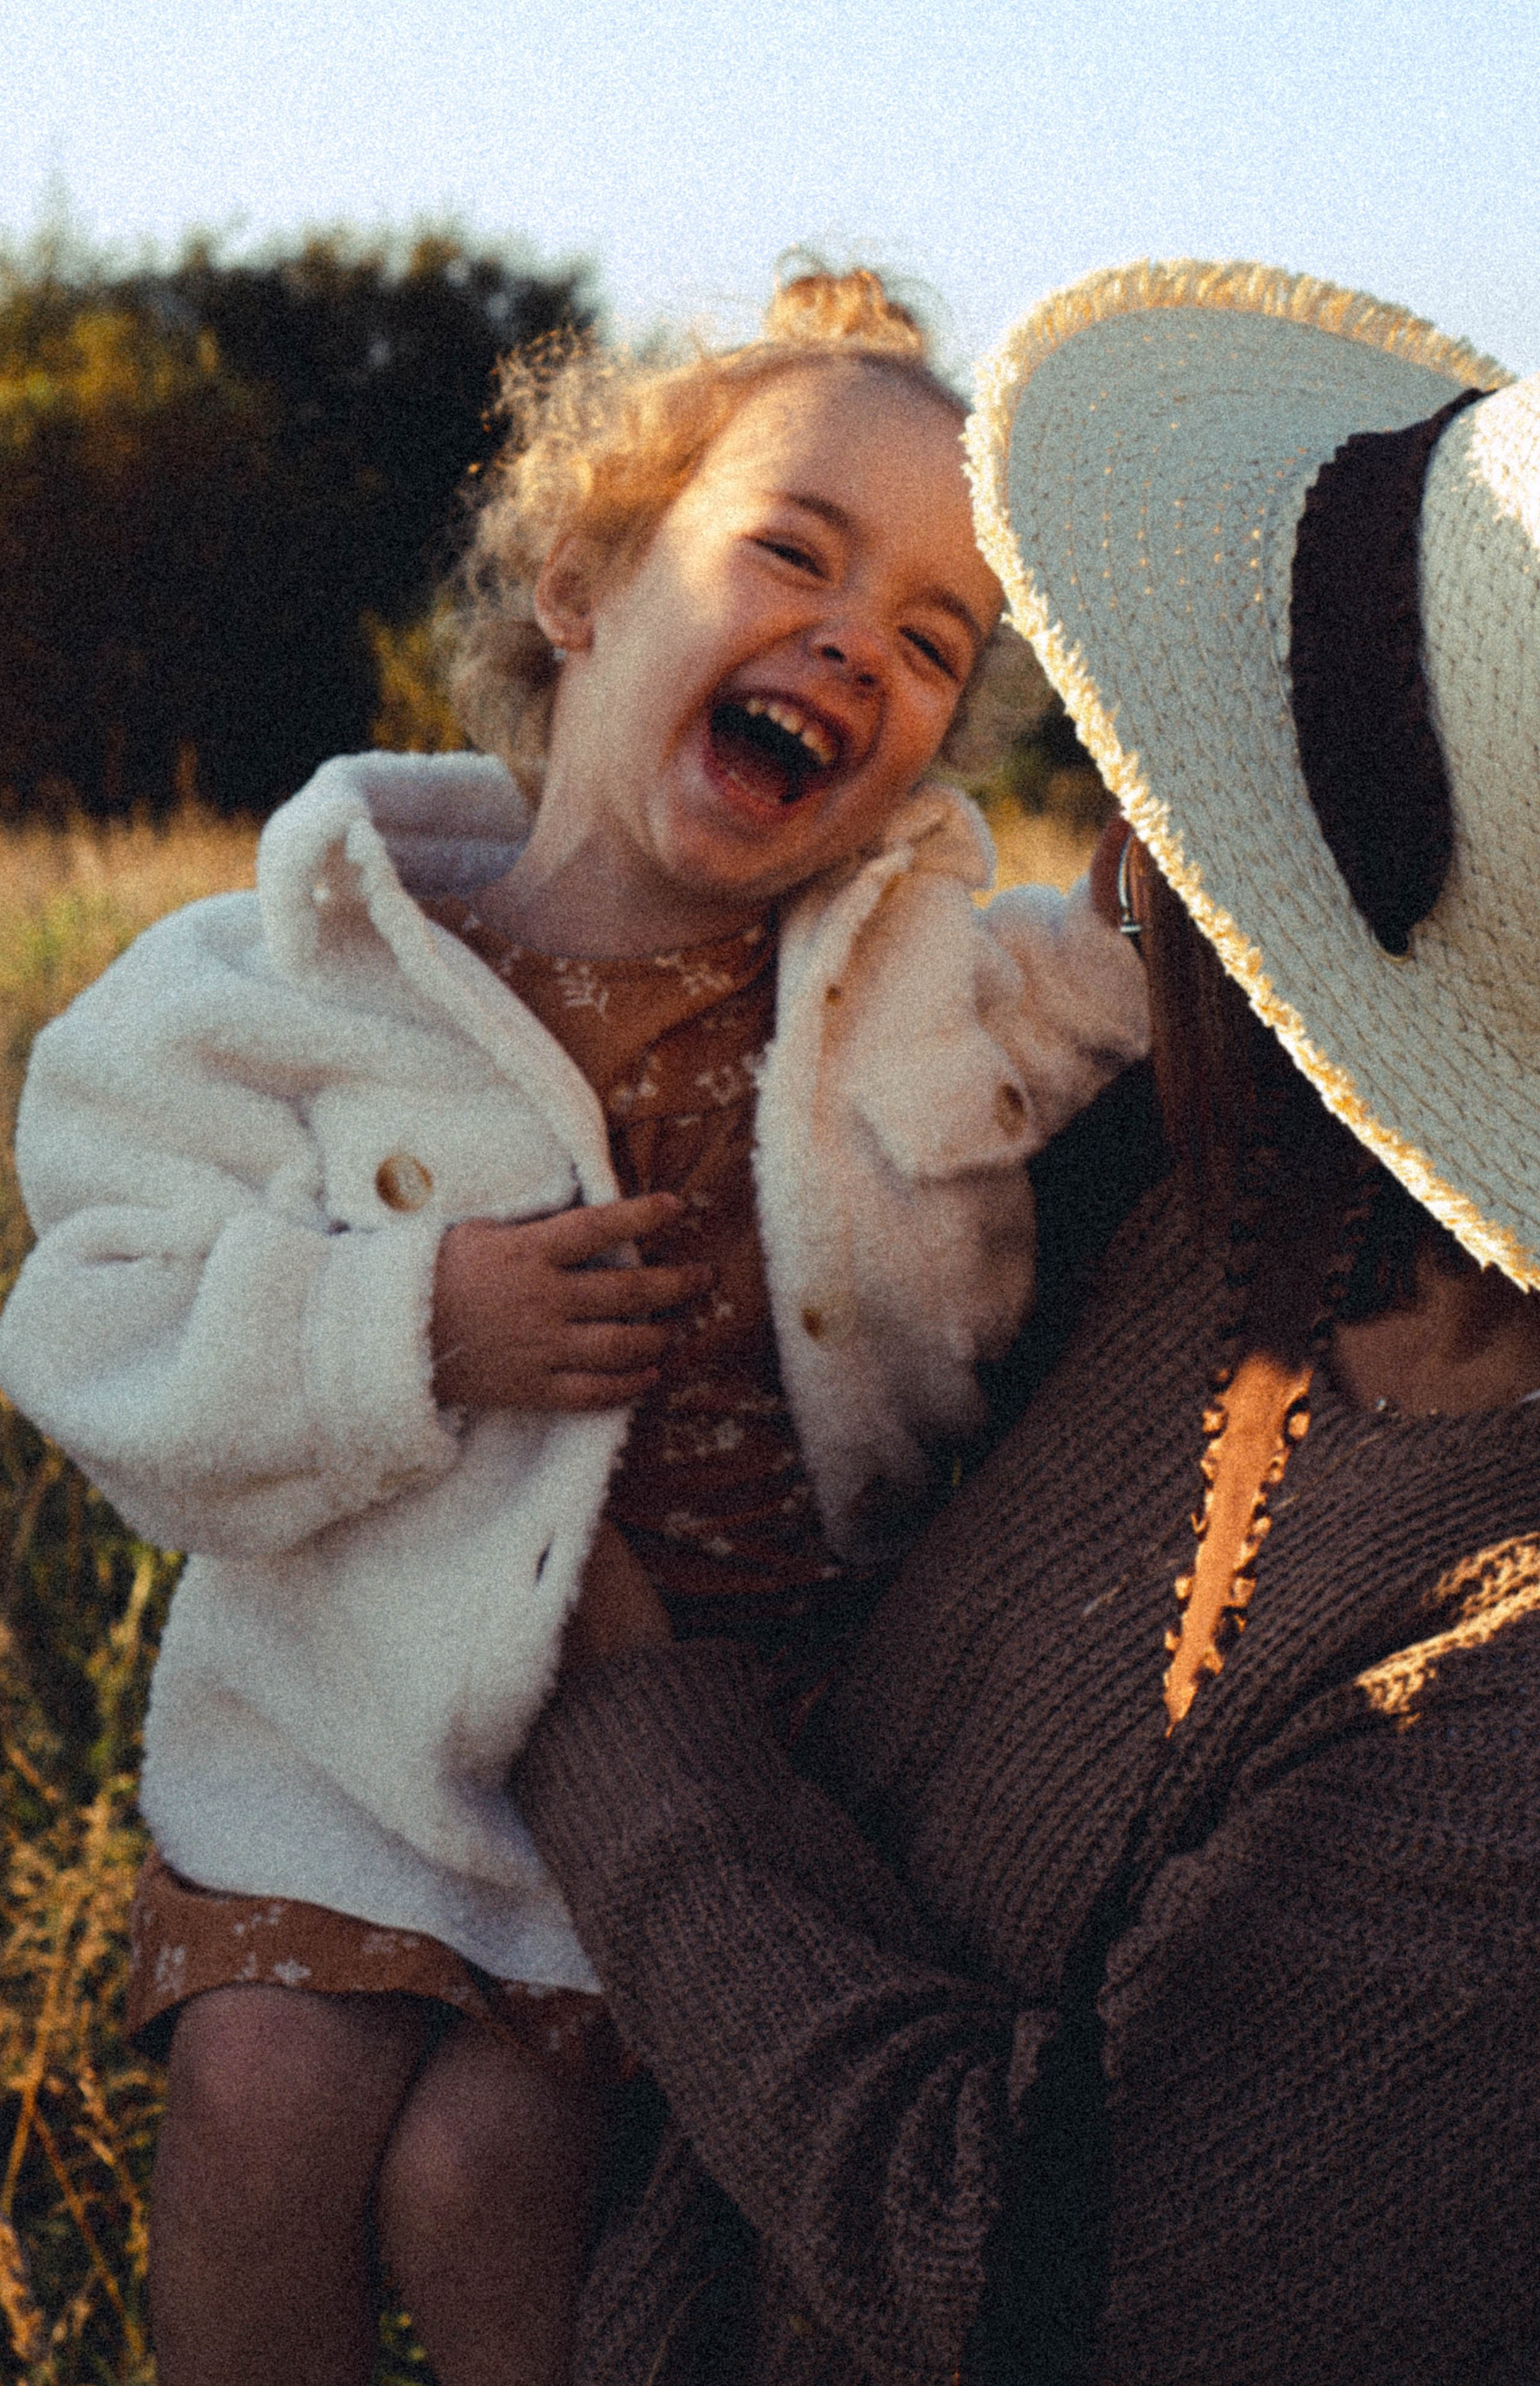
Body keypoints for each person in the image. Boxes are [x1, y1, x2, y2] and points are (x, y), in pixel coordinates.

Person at [0, 267, 1147, 2385]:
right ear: (587, 582)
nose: (849, 644)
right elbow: (90, 1329)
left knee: (488, 2175)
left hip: (733, 1737)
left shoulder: (906, 974)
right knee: (261, 2110)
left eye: (928, 641)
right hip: (356, 1727)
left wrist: (1178, 871)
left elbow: (1092, 986)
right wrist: (405, 1322)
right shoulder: (285, 980)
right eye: (791, 554)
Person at [507, 258, 1540, 2384]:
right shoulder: (1192, 1190)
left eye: (1189, 808)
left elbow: (1023, 2262)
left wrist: (606, 1696)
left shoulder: (1503, 1678)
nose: (1119, 860)